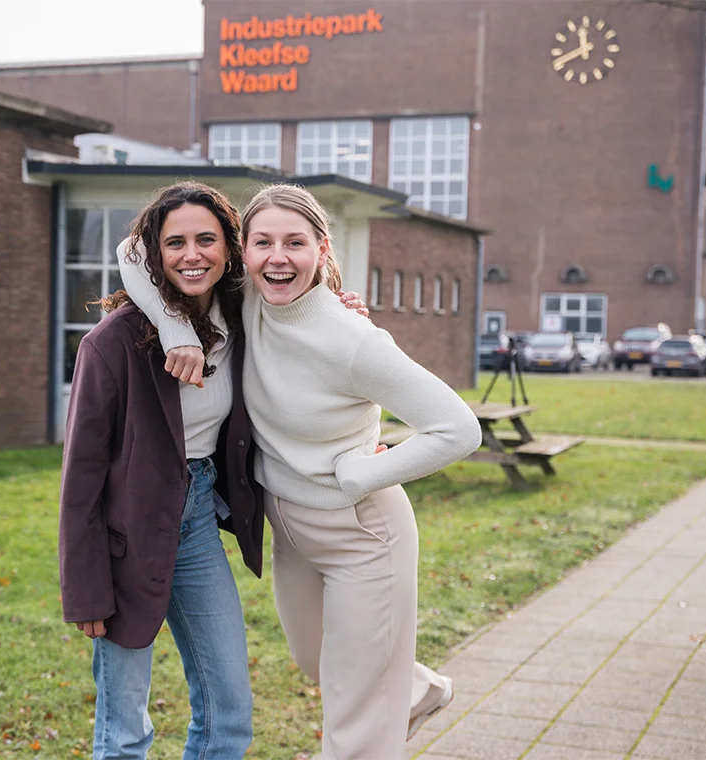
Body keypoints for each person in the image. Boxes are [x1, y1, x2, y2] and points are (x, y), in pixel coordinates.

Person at [117, 184, 481, 759]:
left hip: (363, 531)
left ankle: (383, 702)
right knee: (317, 662)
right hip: (288, 528)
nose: (277, 257)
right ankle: (408, 688)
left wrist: (361, 476)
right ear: (245, 251)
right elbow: (134, 251)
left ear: (322, 249)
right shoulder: (246, 298)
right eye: (263, 243)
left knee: (353, 709)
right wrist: (177, 331)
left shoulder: (355, 340)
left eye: (295, 243)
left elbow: (459, 429)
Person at [60, 182, 367, 759]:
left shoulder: (241, 314)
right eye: (174, 242)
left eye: (206, 239)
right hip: (124, 535)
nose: (191, 254)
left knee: (229, 713)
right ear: (154, 252)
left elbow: (301, 307)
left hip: (197, 519)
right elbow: (80, 481)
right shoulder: (111, 345)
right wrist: (85, 591)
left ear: (230, 248)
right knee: (124, 732)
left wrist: (338, 305)